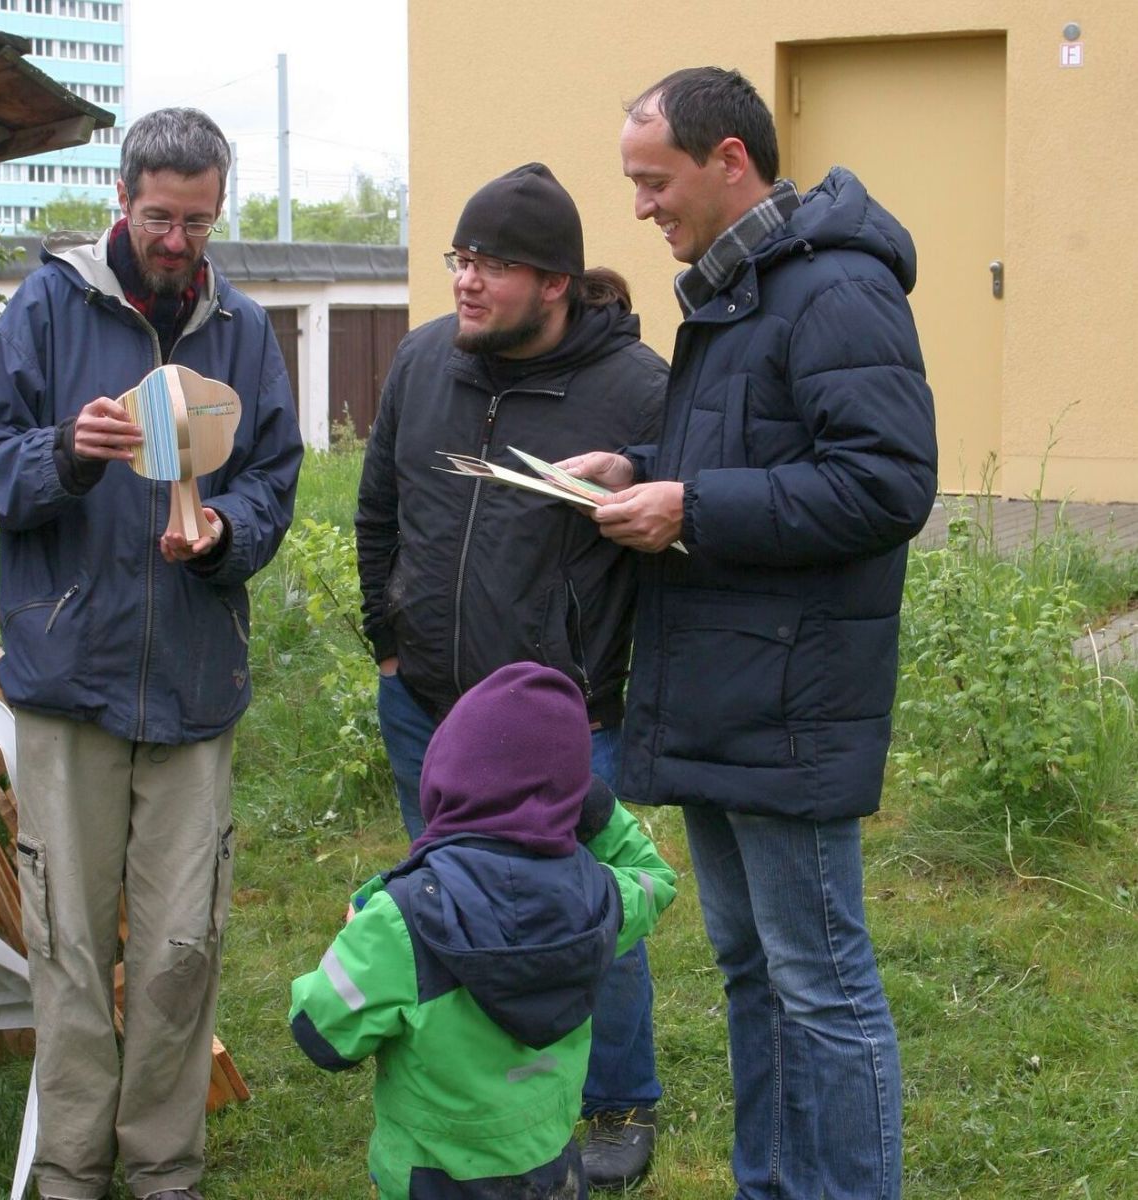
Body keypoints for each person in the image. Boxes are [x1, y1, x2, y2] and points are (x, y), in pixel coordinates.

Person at [561, 67, 938, 1200]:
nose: (639, 210)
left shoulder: (832, 291)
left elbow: (884, 484)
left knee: (820, 983)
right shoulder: (734, 293)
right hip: (728, 687)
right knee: (751, 971)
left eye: (654, 181)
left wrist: (693, 507)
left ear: (731, 161)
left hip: (791, 697)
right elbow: (759, 459)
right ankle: (772, 1185)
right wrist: (645, 473)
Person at [0, 107, 303, 1200]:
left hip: (194, 685)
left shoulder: (239, 324)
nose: (180, 240)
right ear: (123, 201)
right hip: (68, 685)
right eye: (161, 216)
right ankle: (67, 1172)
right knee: (65, 944)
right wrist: (68, 452)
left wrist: (225, 535)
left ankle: (161, 1169)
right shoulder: (48, 308)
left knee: (179, 949)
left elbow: (274, 479)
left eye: (199, 219)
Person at [354, 161, 672, 1187]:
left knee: (588, 913)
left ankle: (617, 1094)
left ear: (555, 284)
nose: (466, 281)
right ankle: (489, 1089)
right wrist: (390, 646)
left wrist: (634, 469)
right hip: (430, 708)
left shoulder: (637, 391)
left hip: (561, 724)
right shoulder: (420, 365)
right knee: (449, 908)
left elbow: (687, 524)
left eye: (493, 264)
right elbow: (377, 514)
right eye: (461, 257)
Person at [289, 663, 677, 1199]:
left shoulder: (397, 920)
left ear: (442, 776)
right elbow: (657, 878)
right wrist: (593, 806)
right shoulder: (599, 899)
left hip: (432, 1180)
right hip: (552, 1171)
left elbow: (320, 1032)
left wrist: (357, 934)